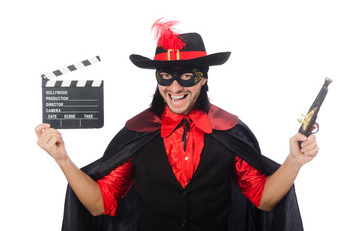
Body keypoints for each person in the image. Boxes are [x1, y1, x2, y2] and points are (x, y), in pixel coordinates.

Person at [35, 19, 319, 231]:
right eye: (165, 76)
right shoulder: (138, 132)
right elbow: (99, 203)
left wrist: (294, 161)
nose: (174, 86)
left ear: (204, 78)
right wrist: (63, 160)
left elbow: (264, 200)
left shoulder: (228, 130)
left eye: (187, 76)